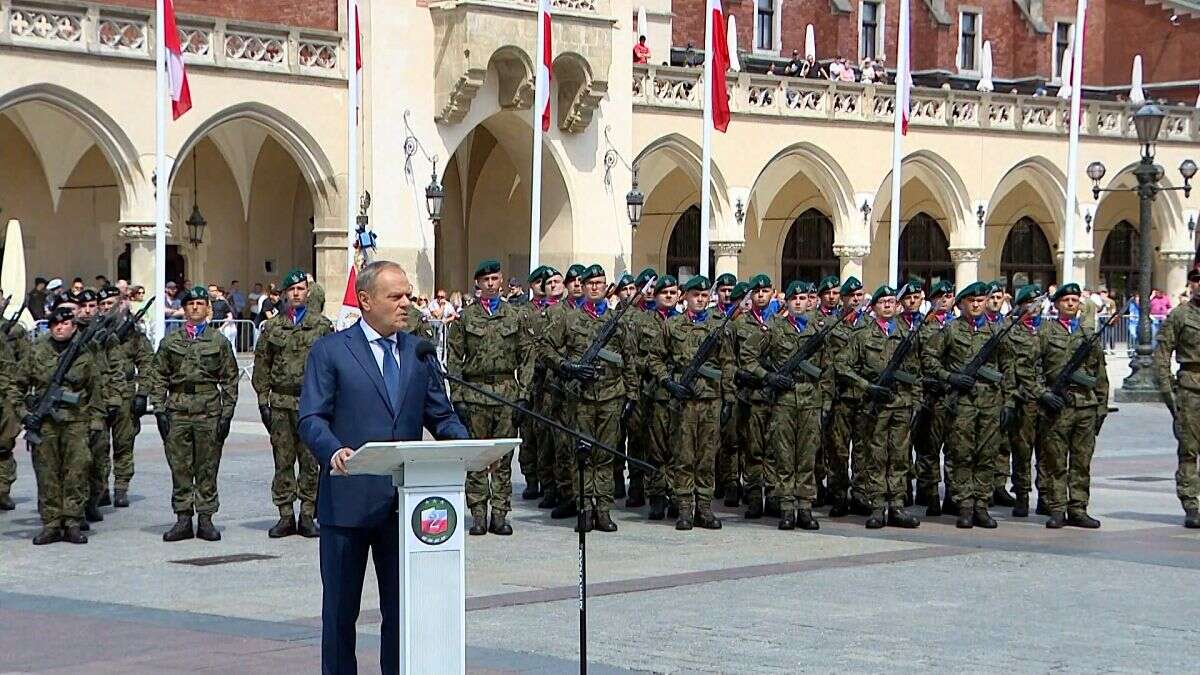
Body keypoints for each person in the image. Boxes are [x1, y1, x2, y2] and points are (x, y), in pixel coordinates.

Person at [298, 260, 467, 675]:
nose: (406, 303)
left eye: (408, 294)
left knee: (400, 613)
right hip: (348, 502)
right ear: (366, 300)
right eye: (396, 296)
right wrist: (333, 449)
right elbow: (311, 418)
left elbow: (440, 416)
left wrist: (466, 445)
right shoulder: (331, 351)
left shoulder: (418, 352)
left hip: (403, 507)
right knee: (340, 615)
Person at [549, 264, 638, 532]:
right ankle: (585, 509)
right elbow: (546, 348)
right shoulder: (570, 319)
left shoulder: (617, 320)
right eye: (590, 283)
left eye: (600, 282)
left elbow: (630, 360)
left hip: (612, 396)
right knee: (583, 455)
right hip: (581, 398)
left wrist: (631, 395)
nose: (595, 287)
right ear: (584, 287)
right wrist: (567, 367)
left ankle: (604, 510)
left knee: (606, 456)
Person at [9, 304, 105, 544]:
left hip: (76, 422)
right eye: (54, 324)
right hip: (46, 425)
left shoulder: (84, 353)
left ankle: (73, 521)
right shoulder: (37, 351)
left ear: (73, 327)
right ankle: (51, 524)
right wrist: (24, 414)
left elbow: (95, 390)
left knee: (77, 472)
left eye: (64, 324)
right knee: (47, 473)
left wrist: (96, 422)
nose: (59, 328)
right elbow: (14, 385)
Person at [446, 259, 530, 536]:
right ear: (477, 284)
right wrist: (457, 396)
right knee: (478, 459)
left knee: (504, 459)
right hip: (475, 393)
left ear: (502, 281)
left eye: (495, 279)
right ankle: (479, 514)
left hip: (506, 392)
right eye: (486, 280)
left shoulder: (514, 316)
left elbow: (527, 357)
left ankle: (501, 515)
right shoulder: (465, 318)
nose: (491, 284)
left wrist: (524, 393)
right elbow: (455, 358)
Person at [151, 286, 240, 542]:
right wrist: (159, 409)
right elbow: (158, 377)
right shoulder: (170, 342)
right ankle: (182, 518)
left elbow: (230, 379)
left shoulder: (218, 341)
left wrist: (227, 414)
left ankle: (206, 518)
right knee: (179, 466)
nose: (195, 308)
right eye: (190, 304)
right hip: (177, 410)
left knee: (207, 466)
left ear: (208, 308)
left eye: (200, 304)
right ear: (184, 308)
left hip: (208, 411)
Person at [648, 275, 735, 531]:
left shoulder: (719, 327)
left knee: (707, 457)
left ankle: (705, 508)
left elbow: (728, 364)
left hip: (711, 399)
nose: (700, 299)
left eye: (704, 295)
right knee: (683, 455)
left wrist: (728, 397)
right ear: (685, 297)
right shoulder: (672, 326)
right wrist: (667, 381)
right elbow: (655, 358)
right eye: (695, 294)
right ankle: (684, 508)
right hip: (684, 401)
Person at [253, 269, 333, 539]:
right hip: (281, 402)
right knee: (283, 460)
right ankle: (285, 514)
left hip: (311, 404)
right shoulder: (272, 327)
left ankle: (308, 514)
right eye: (292, 290)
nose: (297, 293)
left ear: (308, 292)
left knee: (310, 461)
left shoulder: (322, 326)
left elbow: (331, 367)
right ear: (284, 294)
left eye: (301, 289)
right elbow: (262, 366)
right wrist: (262, 400)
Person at [925, 282, 1009, 529]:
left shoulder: (996, 332)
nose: (976, 304)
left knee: (986, 454)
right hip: (962, 402)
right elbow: (929, 360)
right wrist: (950, 377)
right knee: (962, 453)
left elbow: (1009, 367)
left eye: (980, 300)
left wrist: (1009, 401)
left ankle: (981, 505)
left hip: (990, 402)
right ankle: (964, 505)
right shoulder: (950, 330)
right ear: (961, 304)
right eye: (970, 301)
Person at [839, 285, 922, 529]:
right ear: (873, 307)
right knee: (875, 455)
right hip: (874, 406)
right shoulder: (862, 336)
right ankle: (876, 506)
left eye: (890, 301)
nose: (887, 305)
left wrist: (915, 401)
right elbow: (843, 366)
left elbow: (916, 371)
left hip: (901, 403)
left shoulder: (907, 334)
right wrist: (866, 386)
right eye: (882, 301)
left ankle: (896, 505)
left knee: (898, 456)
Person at [1034, 283, 1108, 529]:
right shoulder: (1045, 332)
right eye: (1065, 300)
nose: (1070, 304)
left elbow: (1100, 376)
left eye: (1075, 300)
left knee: (1081, 461)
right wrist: (1043, 394)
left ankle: (1078, 507)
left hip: (1085, 406)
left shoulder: (1089, 336)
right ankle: (1057, 508)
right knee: (1056, 461)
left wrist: (1101, 408)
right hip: (1058, 406)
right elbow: (1029, 370)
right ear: (1056, 304)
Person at [760, 280, 829, 530]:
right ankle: (787, 507)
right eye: (794, 299)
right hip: (784, 400)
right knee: (784, 454)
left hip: (810, 399)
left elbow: (827, 368)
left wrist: (826, 400)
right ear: (786, 302)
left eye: (803, 298)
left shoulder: (817, 329)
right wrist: (769, 376)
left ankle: (806, 507)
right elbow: (749, 357)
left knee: (807, 455)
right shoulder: (774, 329)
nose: (799, 303)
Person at [95, 285, 153, 509]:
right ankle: (100, 489)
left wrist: (143, 393)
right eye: (102, 305)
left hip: (126, 394)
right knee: (98, 445)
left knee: (123, 444)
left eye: (110, 304)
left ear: (120, 304)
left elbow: (147, 363)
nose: (105, 309)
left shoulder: (133, 333)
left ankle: (121, 487)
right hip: (99, 395)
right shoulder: (94, 331)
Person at [629, 273, 680, 520]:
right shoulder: (642, 322)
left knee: (679, 448)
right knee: (655, 447)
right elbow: (632, 357)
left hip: (680, 394)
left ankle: (677, 496)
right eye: (664, 293)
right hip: (652, 393)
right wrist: (652, 367)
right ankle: (657, 495)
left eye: (672, 293)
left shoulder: (684, 323)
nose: (668, 297)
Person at [1153, 268, 1200, 529]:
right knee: (1189, 451)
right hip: (1190, 390)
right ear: (1191, 285)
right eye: (1196, 280)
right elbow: (1161, 357)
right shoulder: (1180, 315)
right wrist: (1169, 393)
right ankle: (1191, 504)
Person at [734, 274, 776, 518]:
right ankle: (752, 496)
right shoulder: (739, 325)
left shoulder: (780, 323)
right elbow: (731, 358)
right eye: (757, 291)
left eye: (765, 291)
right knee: (752, 449)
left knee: (773, 448)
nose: (761, 295)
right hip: (749, 396)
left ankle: (772, 495)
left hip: (774, 396)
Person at [914, 281, 955, 516]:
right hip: (932, 395)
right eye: (940, 297)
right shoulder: (923, 327)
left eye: (949, 296)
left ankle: (952, 494)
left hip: (956, 396)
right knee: (929, 448)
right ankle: (929, 494)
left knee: (955, 448)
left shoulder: (959, 326)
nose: (945, 300)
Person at [1002, 284, 1044, 518]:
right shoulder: (1012, 331)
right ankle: (1022, 494)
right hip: (1025, 398)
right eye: (1030, 303)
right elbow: (1014, 369)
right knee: (1022, 450)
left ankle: (1047, 496)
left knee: (1048, 450)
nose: (1035, 307)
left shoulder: (1047, 330)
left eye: (1038, 303)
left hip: (1048, 400)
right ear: (1021, 306)